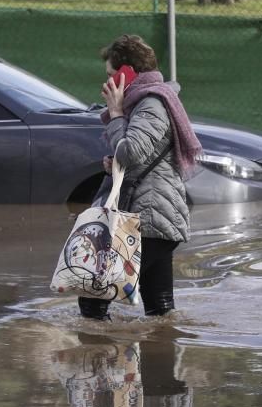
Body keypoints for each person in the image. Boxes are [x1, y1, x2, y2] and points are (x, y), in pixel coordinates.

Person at [78, 34, 201, 321]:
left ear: (127, 73)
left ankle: (97, 361)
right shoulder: (147, 103)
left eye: (111, 75)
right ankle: (162, 360)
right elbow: (138, 155)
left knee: (93, 300)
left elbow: (131, 152)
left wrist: (116, 112)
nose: (106, 84)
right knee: (161, 313)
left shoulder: (150, 105)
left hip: (147, 222)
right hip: (154, 221)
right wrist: (114, 162)